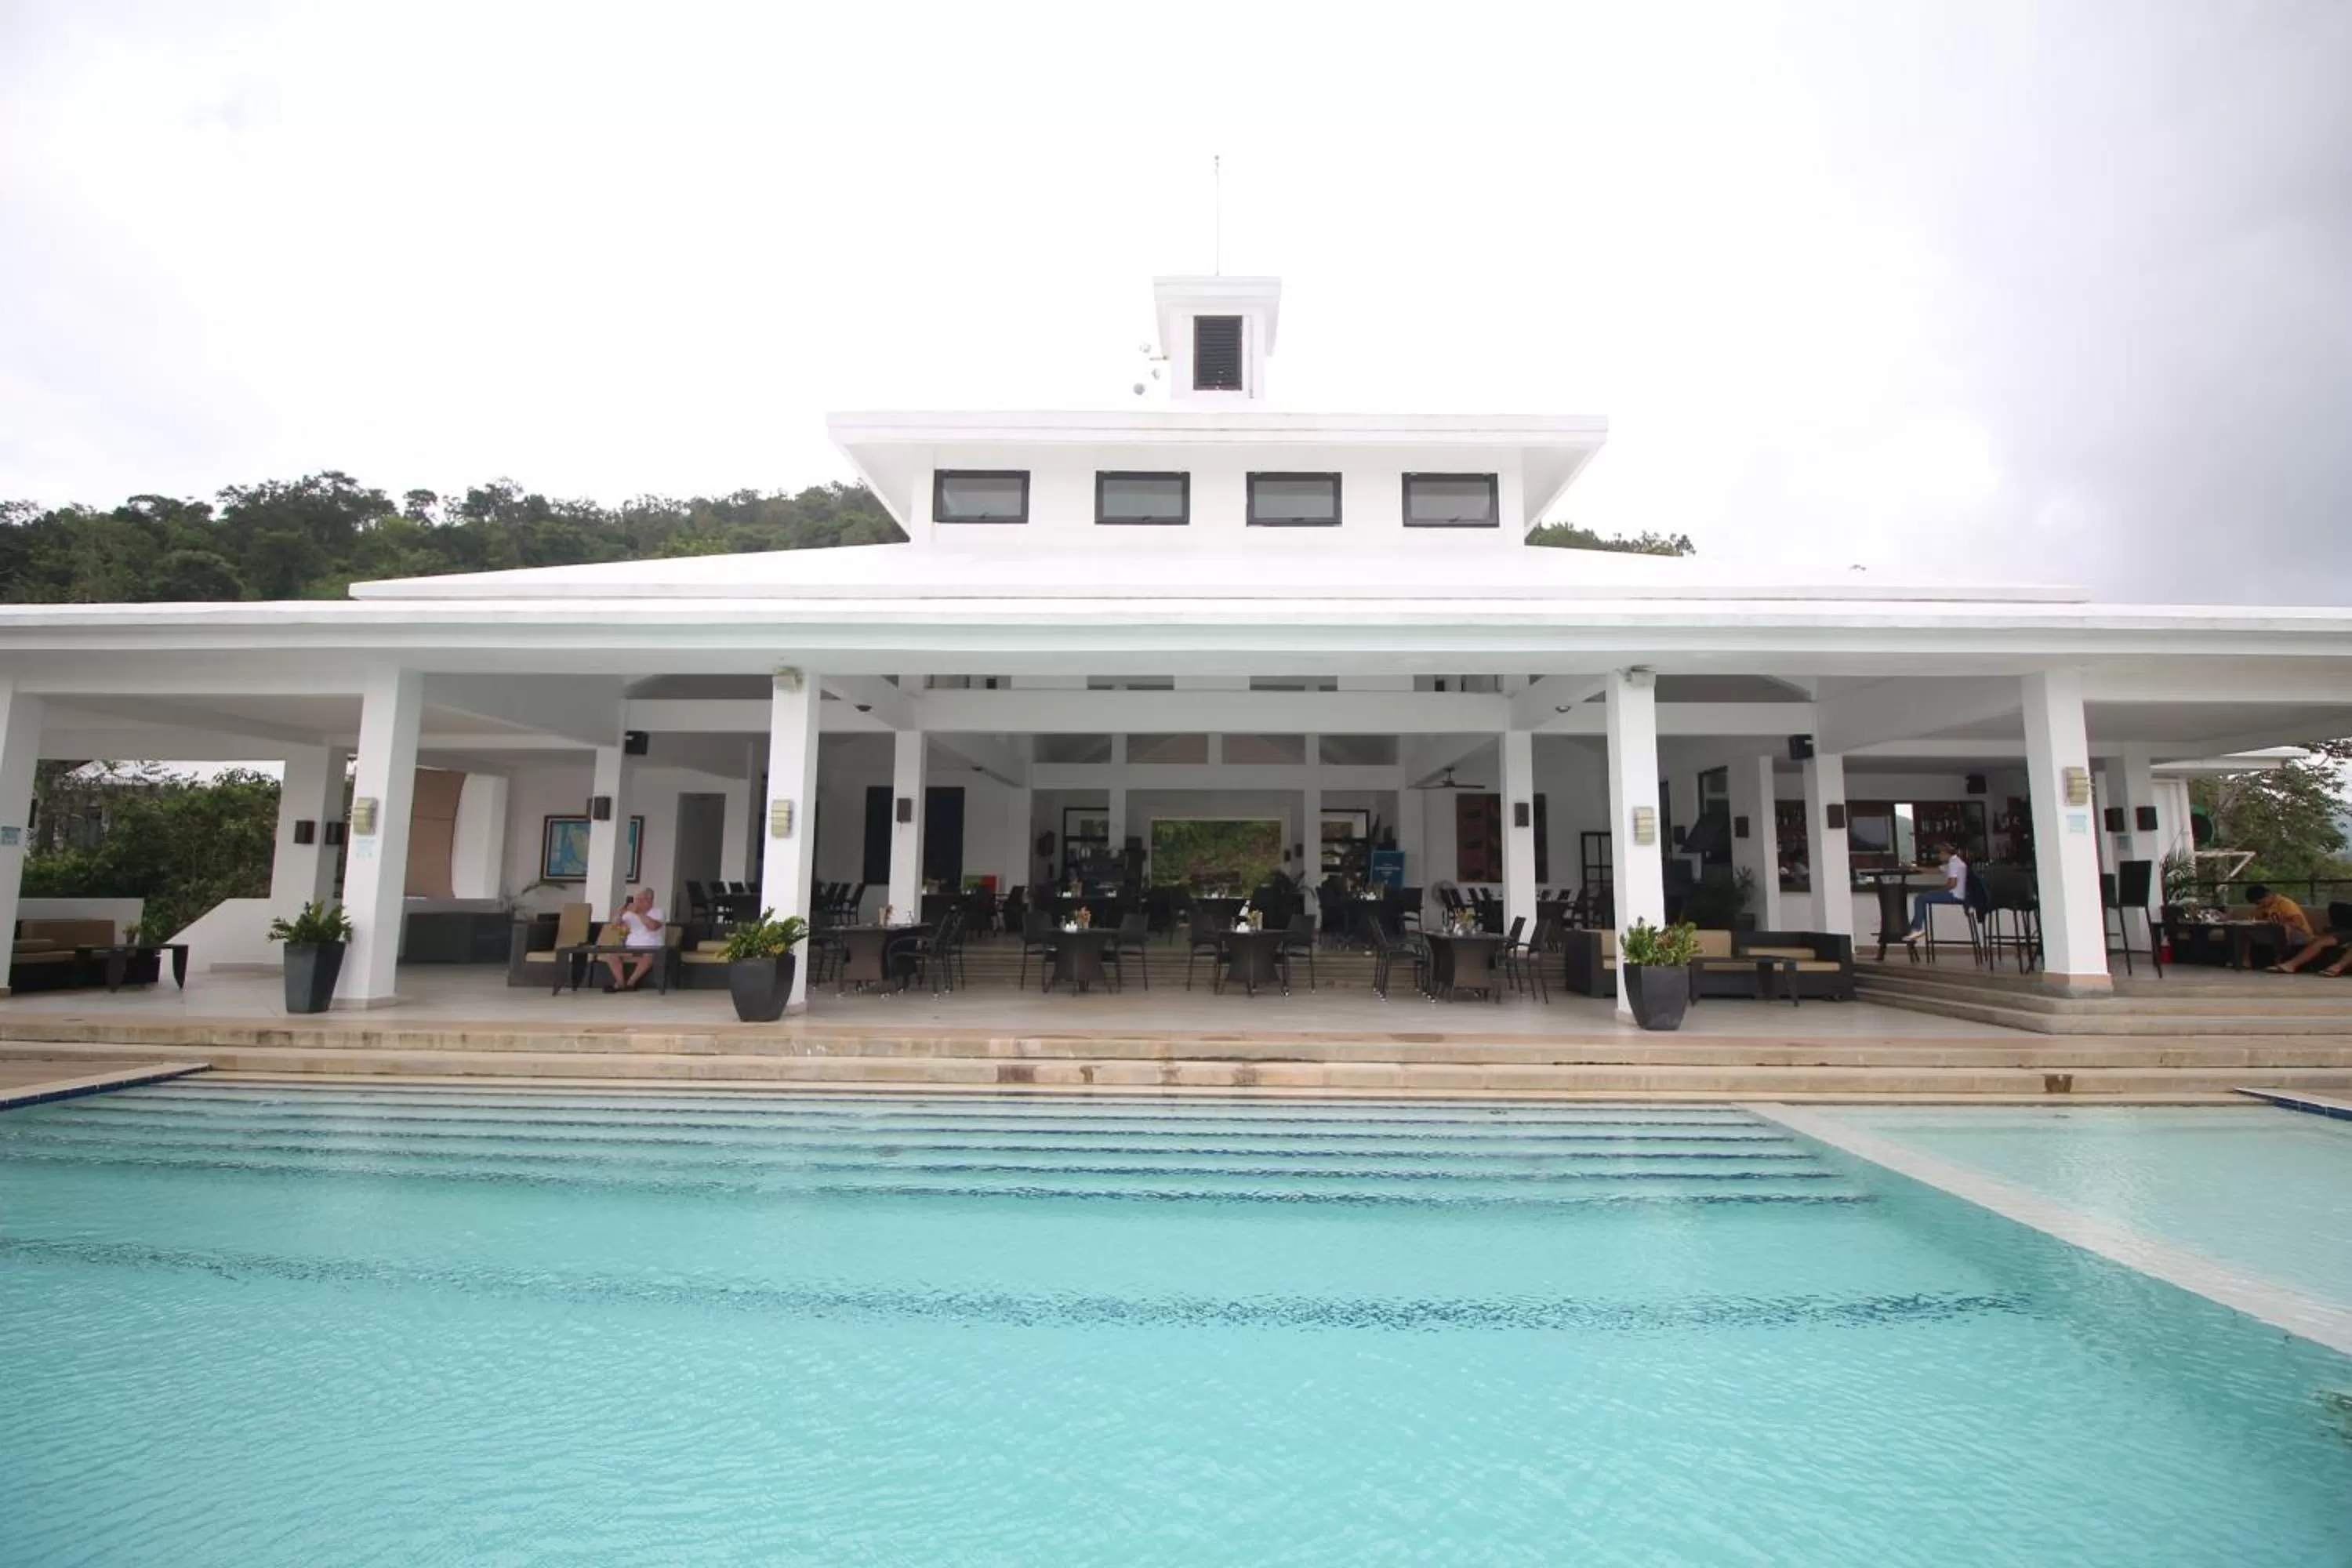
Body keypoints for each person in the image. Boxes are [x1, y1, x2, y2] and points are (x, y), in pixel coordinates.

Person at [1902, 842, 1969, 946]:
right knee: (1923, 897)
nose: (1938, 856)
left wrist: (1937, 891)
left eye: (1940, 853)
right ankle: (1914, 929)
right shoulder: (1955, 862)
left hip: (1955, 895)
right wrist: (1916, 868)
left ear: (1946, 853)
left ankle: (1916, 929)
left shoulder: (1954, 864)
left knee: (1920, 898)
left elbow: (1952, 884)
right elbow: (1935, 870)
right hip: (1958, 895)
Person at [604, 887, 665, 991]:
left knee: (650, 956)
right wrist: (620, 913)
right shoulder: (630, 913)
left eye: (640, 900)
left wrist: (639, 913)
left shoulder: (658, 912)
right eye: (636, 899)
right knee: (611, 954)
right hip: (631, 947)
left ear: (649, 900)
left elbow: (653, 927)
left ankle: (631, 983)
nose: (637, 902)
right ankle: (620, 983)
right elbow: (615, 925)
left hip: (651, 946)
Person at [2249, 884, 2319, 971]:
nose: (2259, 905)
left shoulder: (2284, 903)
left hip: (2300, 933)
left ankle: (2281, 959)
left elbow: (2297, 922)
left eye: (2260, 902)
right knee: (2249, 932)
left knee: (2282, 929)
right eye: (2257, 903)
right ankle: (2246, 960)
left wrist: (2282, 922)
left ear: (2268, 895)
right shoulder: (2263, 907)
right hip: (2273, 932)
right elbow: (2256, 919)